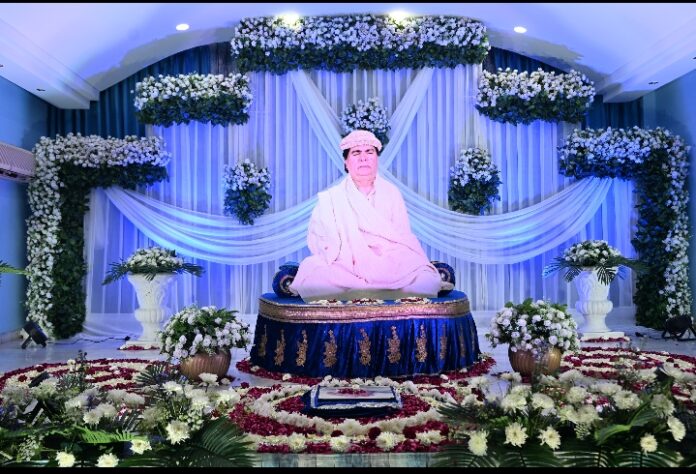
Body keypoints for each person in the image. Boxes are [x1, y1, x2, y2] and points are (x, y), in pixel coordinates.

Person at [289, 129, 451, 302]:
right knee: (314, 274)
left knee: (425, 279)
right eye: (356, 153)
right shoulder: (332, 197)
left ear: (376, 159)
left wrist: (382, 256)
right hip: (347, 264)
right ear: (346, 162)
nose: (363, 158)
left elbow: (403, 236)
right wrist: (350, 252)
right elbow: (318, 239)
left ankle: (362, 292)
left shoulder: (392, 192)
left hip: (389, 261)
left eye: (369, 152)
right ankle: (381, 291)